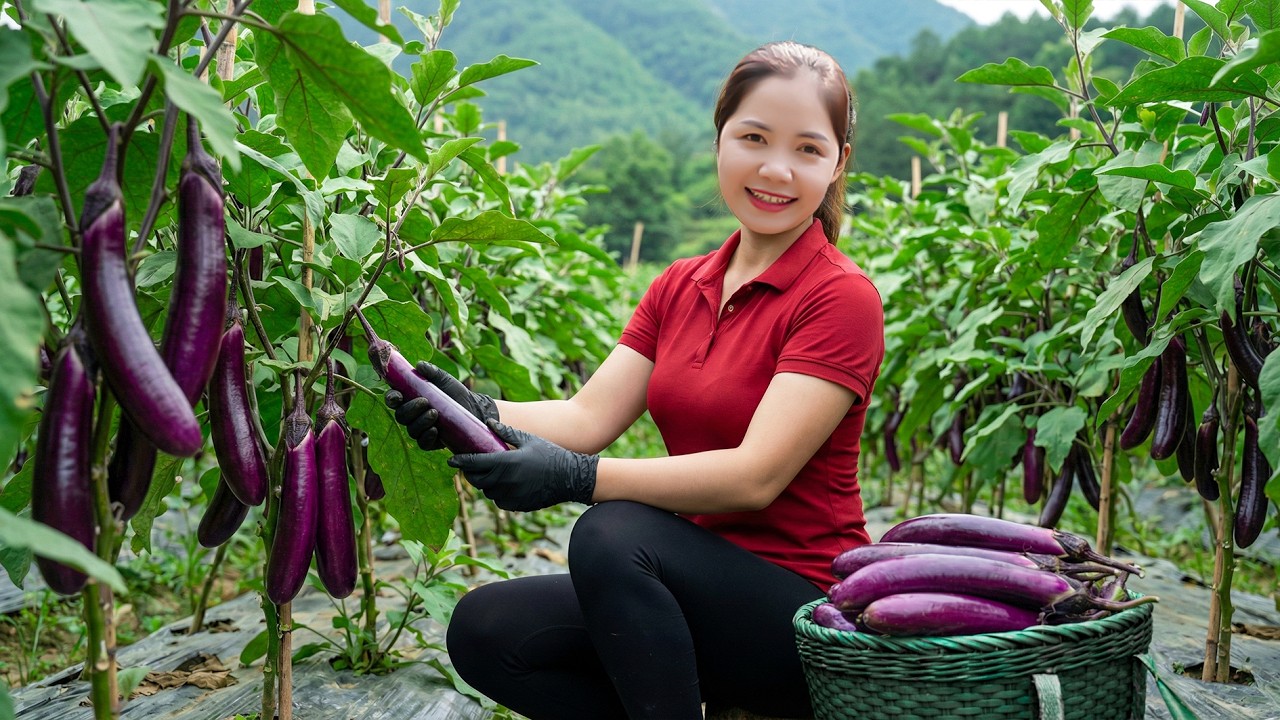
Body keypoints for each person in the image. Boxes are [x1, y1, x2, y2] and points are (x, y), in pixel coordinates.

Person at [385, 40, 884, 720]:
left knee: (612, 532)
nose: (775, 168)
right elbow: (589, 415)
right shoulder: (681, 284)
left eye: (807, 149)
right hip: (681, 593)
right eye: (754, 138)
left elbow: (754, 476)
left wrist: (576, 478)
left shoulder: (839, 297)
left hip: (805, 609)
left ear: (837, 164)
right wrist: (471, 409)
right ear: (720, 139)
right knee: (488, 631)